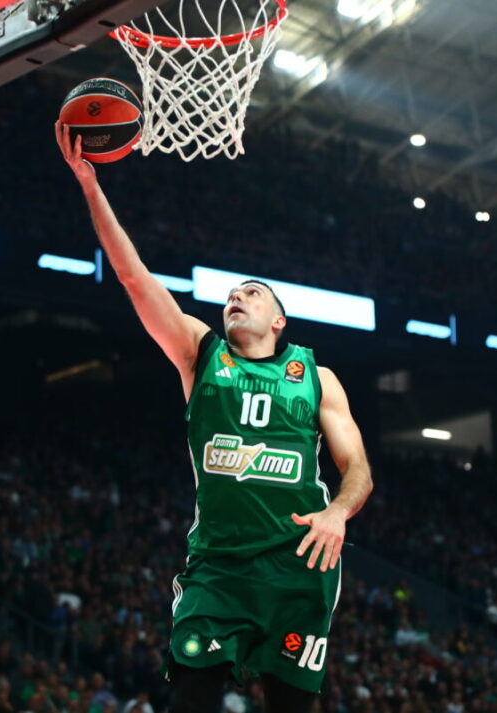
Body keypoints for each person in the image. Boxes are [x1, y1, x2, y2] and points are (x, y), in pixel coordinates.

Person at [56, 123, 373, 713]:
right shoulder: (199, 354)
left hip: (297, 567)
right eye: (231, 294)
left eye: (252, 293)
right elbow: (133, 278)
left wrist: (338, 511)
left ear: (278, 321)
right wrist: (90, 186)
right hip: (218, 570)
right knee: (190, 700)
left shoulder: (318, 377)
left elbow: (357, 467)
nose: (236, 297)